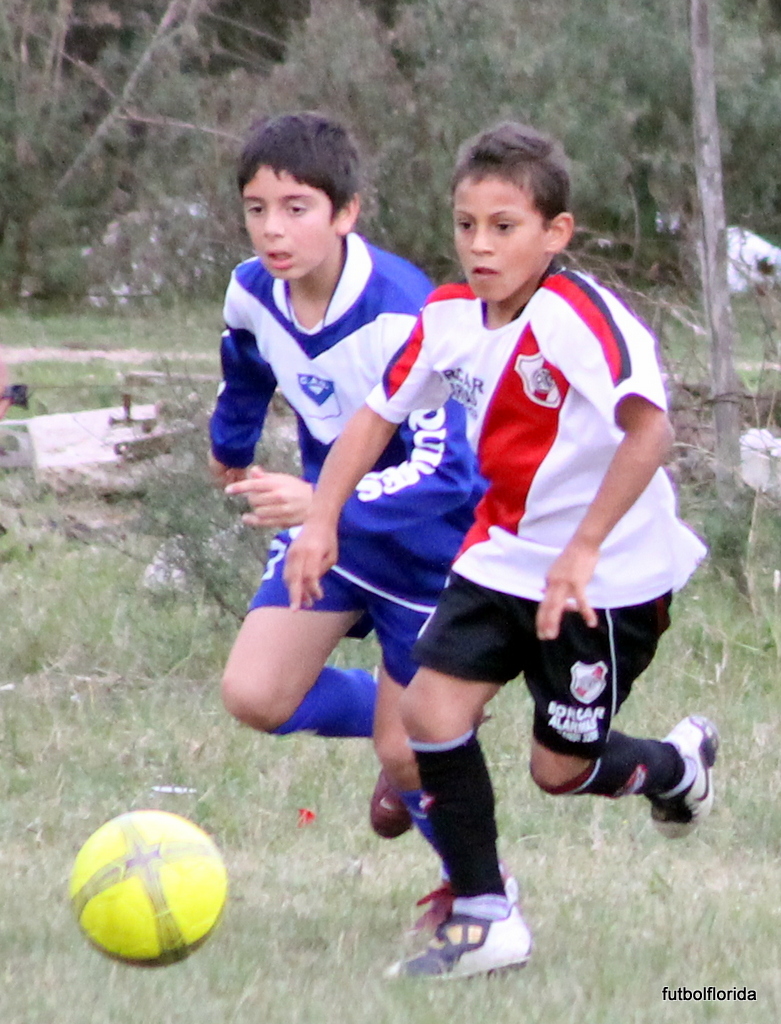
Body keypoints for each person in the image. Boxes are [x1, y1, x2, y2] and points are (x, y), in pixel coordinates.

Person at [285, 121, 717, 979]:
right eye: (465, 225)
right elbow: (376, 415)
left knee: (559, 770)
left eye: (503, 226)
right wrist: (320, 519)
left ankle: (671, 768)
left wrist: (582, 551)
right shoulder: (446, 317)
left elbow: (650, 431)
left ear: (554, 234)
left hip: (608, 580)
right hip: (502, 553)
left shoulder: (580, 318)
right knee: (428, 714)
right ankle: (487, 915)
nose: (479, 245)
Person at [209, 112, 485, 887]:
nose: (273, 229)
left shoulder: (407, 315)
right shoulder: (251, 290)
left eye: (296, 208)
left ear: (345, 213)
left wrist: (322, 504)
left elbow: (449, 475)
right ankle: (408, 715)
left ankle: (478, 893)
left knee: (406, 756)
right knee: (254, 694)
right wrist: (228, 448)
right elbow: (247, 365)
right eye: (257, 209)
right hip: (329, 534)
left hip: (430, 549)